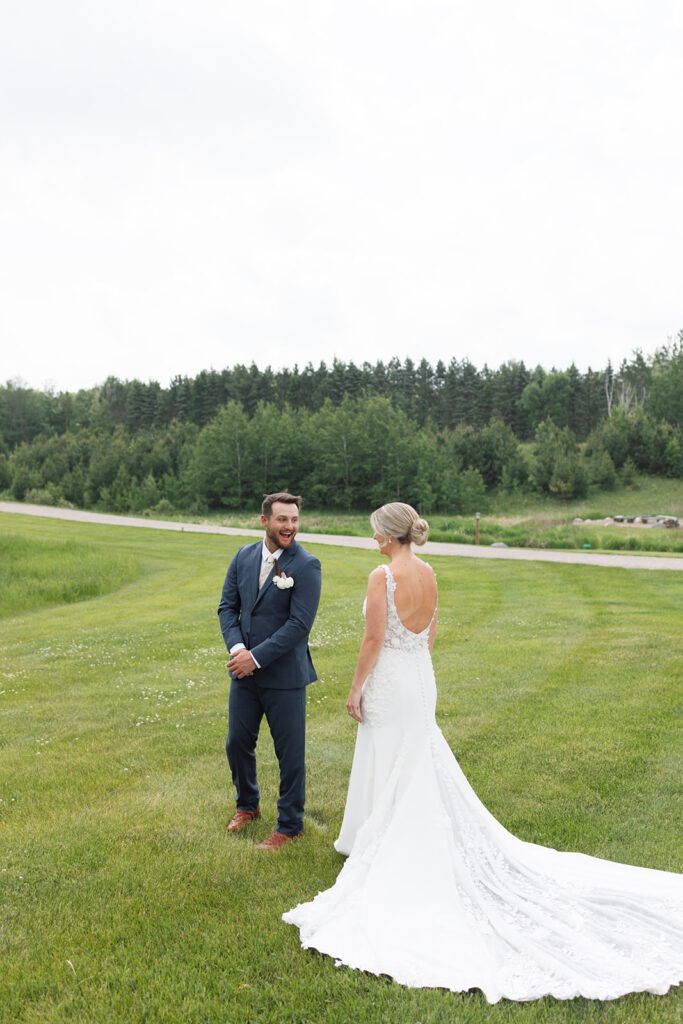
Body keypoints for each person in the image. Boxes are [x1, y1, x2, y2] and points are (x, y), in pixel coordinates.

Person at [283, 502, 683, 1002]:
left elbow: (373, 638)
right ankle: (376, 835)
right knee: (414, 761)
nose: (372, 540)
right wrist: (414, 674)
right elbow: (427, 636)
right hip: (419, 681)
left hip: (391, 680)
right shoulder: (428, 572)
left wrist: (356, 687)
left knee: (395, 761)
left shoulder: (382, 574)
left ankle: (392, 846)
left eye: (374, 533)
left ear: (387, 535)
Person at [218, 492, 321, 851]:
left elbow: (298, 625)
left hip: (285, 678)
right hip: (244, 674)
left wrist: (256, 657)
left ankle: (290, 825)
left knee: (289, 754)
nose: (289, 527)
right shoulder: (243, 556)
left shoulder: (307, 565)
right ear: (265, 521)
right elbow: (227, 607)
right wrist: (237, 650)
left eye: (294, 520)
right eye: (282, 520)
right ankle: (248, 805)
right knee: (237, 743)